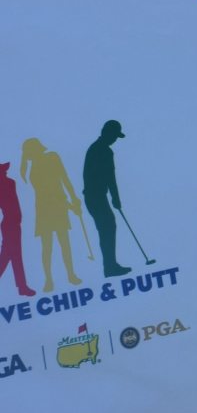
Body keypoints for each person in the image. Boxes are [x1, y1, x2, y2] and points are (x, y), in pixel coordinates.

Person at [20, 138, 83, 293]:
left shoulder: (53, 157)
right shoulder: (34, 169)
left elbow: (64, 179)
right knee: (47, 246)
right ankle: (49, 280)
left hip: (58, 207)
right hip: (45, 209)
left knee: (64, 243)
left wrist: (74, 199)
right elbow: (47, 192)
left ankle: (70, 275)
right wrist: (70, 204)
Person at [82, 120, 130, 278]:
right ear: (107, 133)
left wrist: (113, 198)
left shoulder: (95, 147)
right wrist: (116, 198)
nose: (115, 139)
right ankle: (110, 267)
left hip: (94, 197)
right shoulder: (104, 150)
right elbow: (110, 177)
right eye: (114, 136)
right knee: (108, 227)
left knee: (107, 228)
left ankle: (110, 266)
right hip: (96, 197)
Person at [0, 161, 35, 297]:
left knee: (9, 255)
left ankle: (22, 287)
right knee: (13, 256)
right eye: (2, 170)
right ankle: (22, 287)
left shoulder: (10, 182)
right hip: (10, 223)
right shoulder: (7, 183)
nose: (5, 172)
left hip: (13, 223)